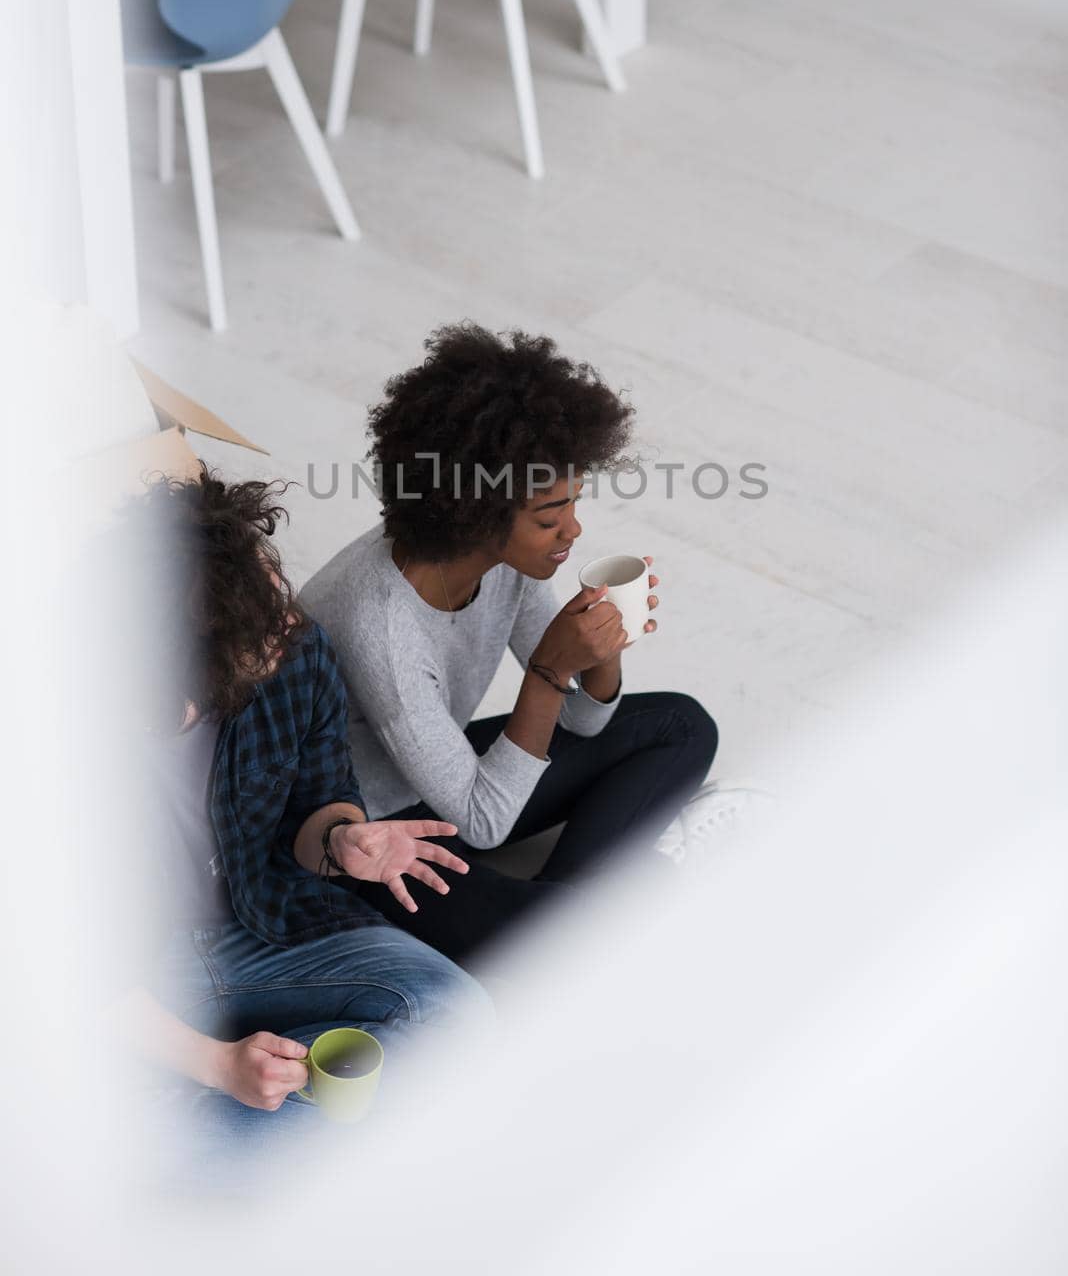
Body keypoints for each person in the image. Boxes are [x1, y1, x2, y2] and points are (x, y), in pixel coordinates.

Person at [92, 468, 488, 1165]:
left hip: (261, 923)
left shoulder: (297, 654)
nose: (290, 622)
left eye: (275, 589)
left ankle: (170, 1136)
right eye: (264, 624)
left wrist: (341, 840)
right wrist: (215, 1065)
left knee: (458, 1019)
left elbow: (317, 799)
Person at [301, 323, 718, 965]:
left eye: (573, 505)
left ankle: (573, 906)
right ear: (474, 514)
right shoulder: (378, 625)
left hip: (444, 776)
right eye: (549, 518)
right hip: (372, 837)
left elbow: (585, 719)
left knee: (682, 725)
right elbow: (482, 821)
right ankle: (584, 912)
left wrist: (600, 652)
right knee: (548, 941)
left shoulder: (503, 565)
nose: (572, 531)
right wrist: (550, 672)